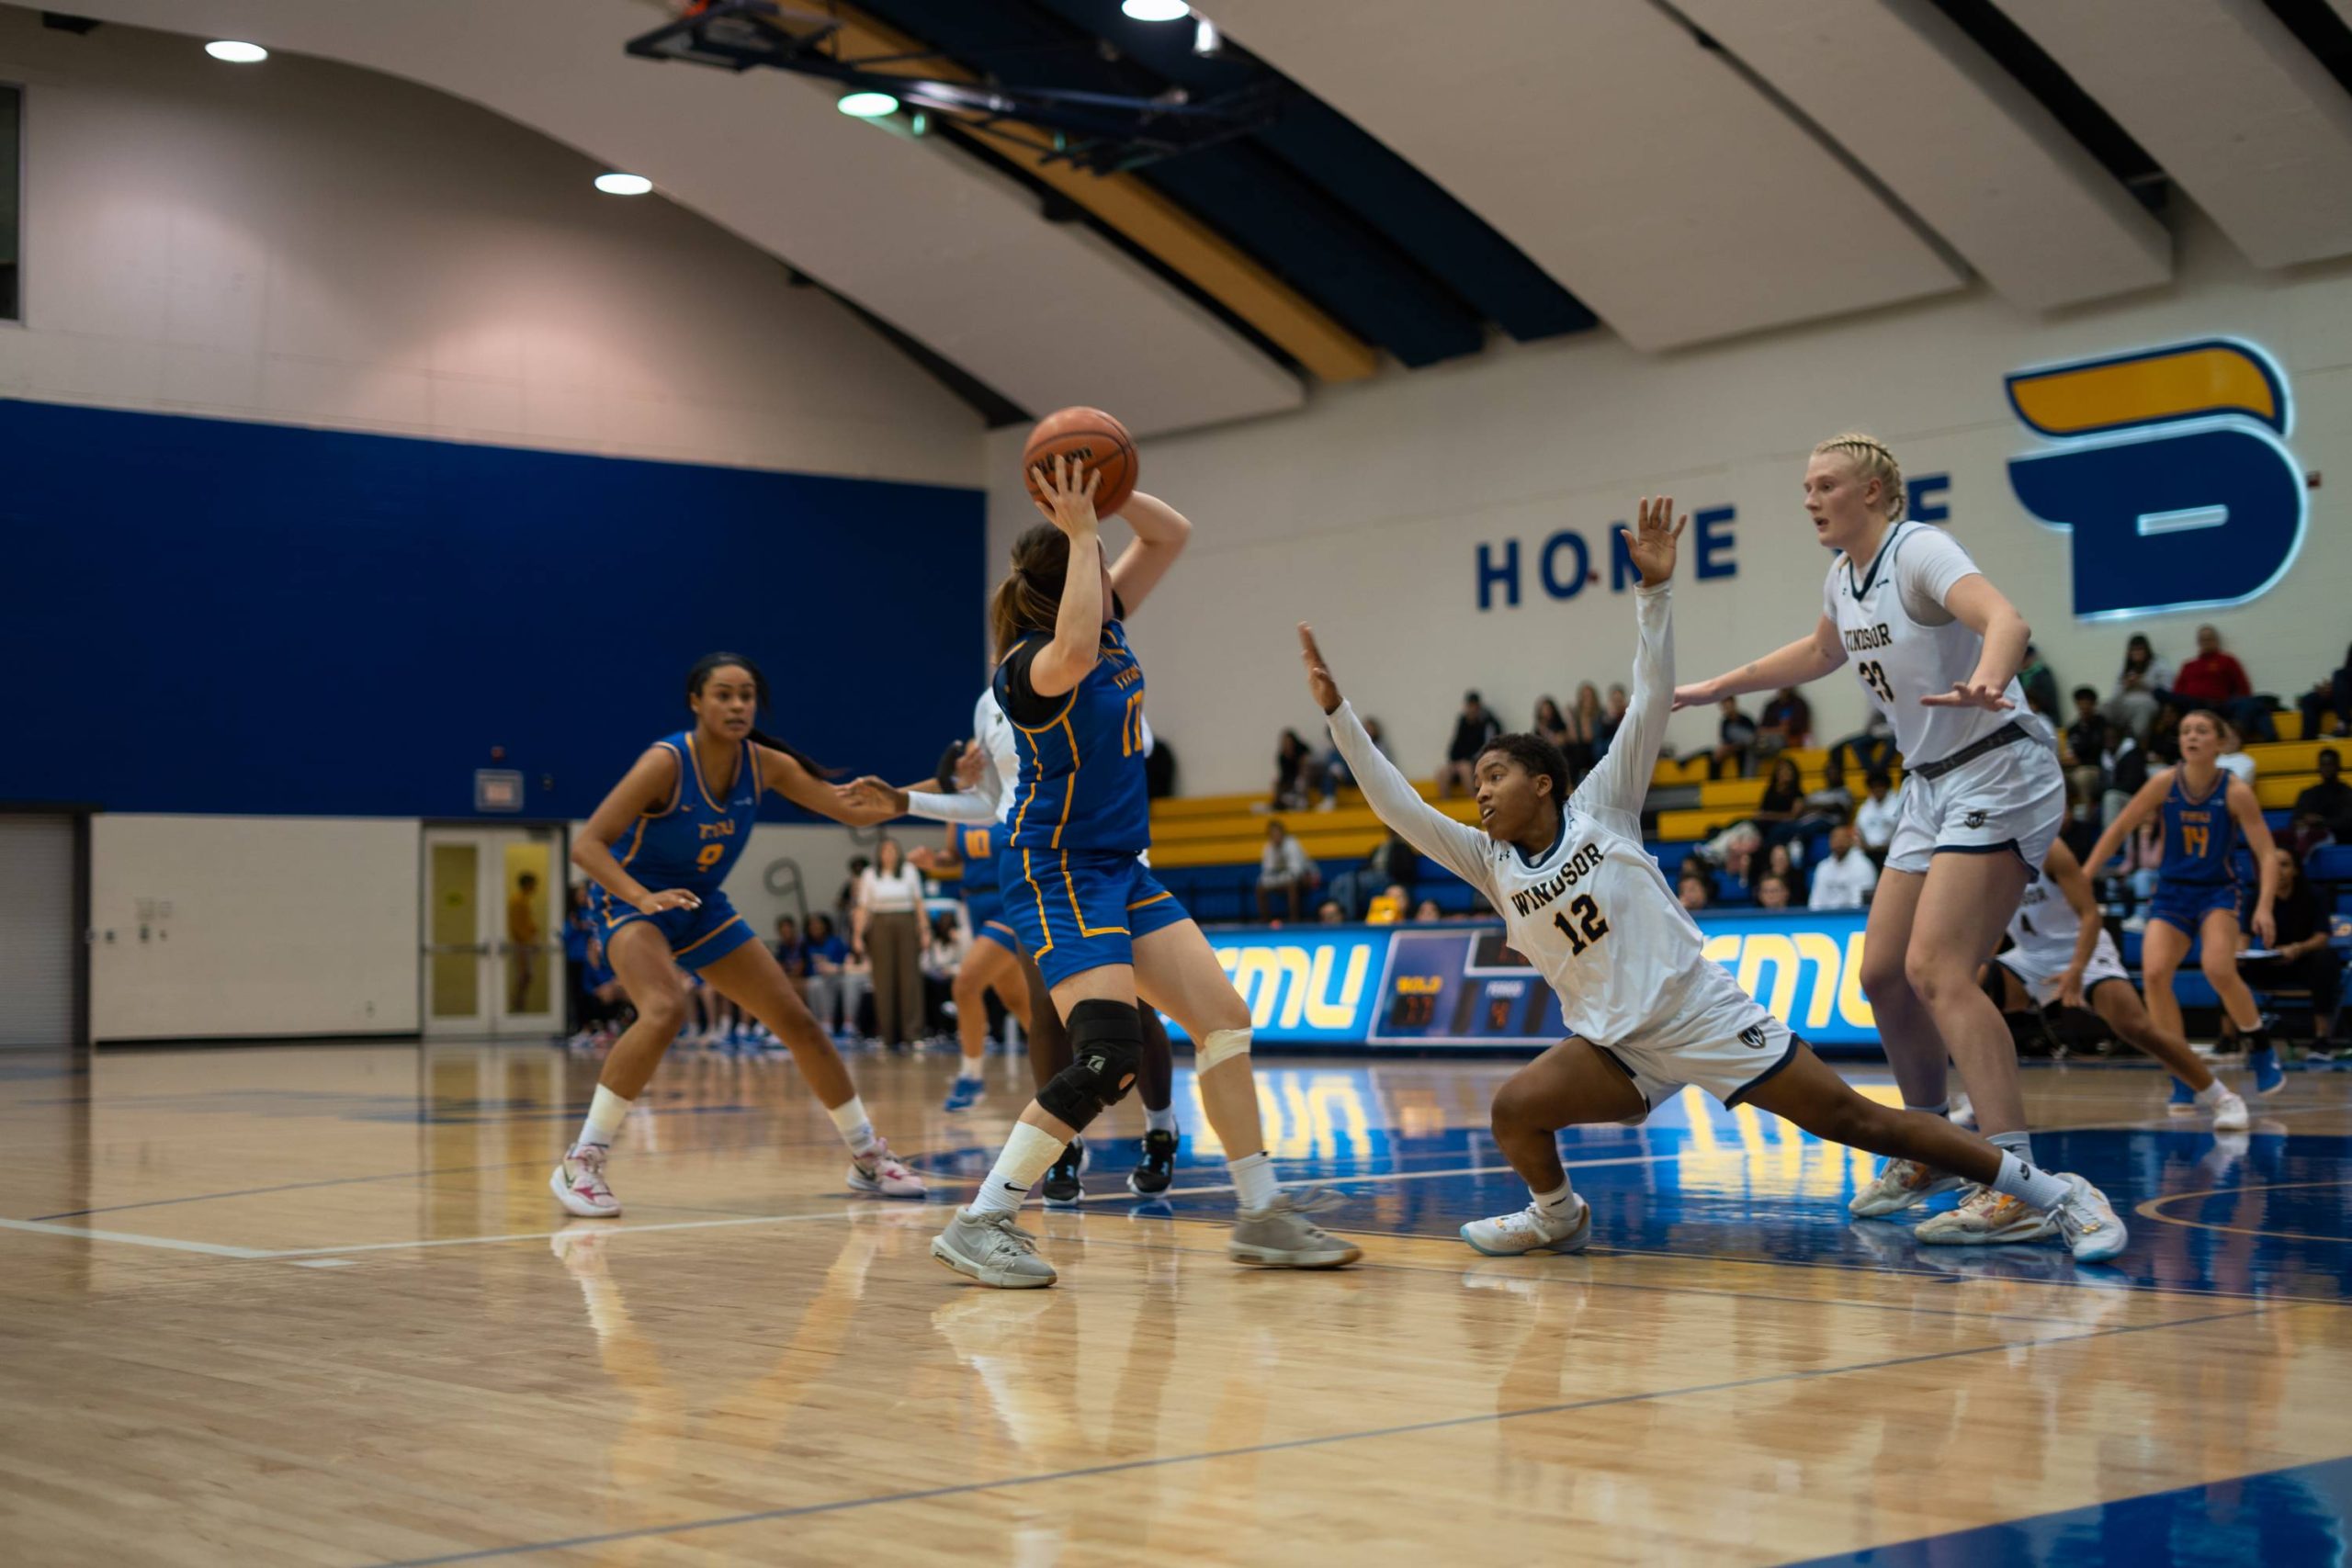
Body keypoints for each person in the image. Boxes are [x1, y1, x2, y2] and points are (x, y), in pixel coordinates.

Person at [1308, 494, 2123, 1261]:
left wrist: (1655, 594)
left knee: (1857, 1120)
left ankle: (2051, 1191)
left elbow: (1651, 696)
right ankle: (1558, 1216)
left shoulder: (1603, 806)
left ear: (1544, 781)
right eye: (1476, 781)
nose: (1480, 791)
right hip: (1617, 1046)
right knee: (1515, 1110)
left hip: (1701, 1015)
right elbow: (1396, 806)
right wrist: (1340, 715)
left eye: (1495, 776)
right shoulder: (1486, 863)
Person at [902, 458, 1357, 1288]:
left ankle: (1262, 1213)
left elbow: (1170, 532)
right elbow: (1073, 643)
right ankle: (983, 1220)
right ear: (1069, 580)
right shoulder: (1029, 670)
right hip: (1056, 868)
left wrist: (1107, 494)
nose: (1109, 565)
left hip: (1117, 863)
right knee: (1107, 1052)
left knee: (1222, 1017)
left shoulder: (1107, 627)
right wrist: (1080, 530)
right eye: (1092, 557)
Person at [1677, 432, 2079, 1243]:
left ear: (1874, 492)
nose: (1811, 499)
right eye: (1806, 487)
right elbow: (1823, 651)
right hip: (1929, 784)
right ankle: (1927, 1142)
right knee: (1884, 974)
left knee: (1940, 971)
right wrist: (1723, 685)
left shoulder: (1919, 550)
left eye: (1825, 484)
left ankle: (2015, 1182)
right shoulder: (1841, 576)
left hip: (1998, 765)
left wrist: (1990, 680)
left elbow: (2007, 617)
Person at [555, 652, 922, 1218]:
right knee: (664, 1008)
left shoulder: (763, 764)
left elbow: (853, 811)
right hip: (634, 901)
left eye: (746, 695)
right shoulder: (667, 762)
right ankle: (582, 1160)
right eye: (723, 694)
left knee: (798, 1020)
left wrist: (939, 787)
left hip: (701, 906)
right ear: (696, 702)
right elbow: (587, 844)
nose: (736, 704)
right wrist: (641, 898)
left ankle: (867, 1156)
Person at [866, 684, 1181, 1199]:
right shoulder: (987, 703)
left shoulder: (1098, 673)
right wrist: (910, 800)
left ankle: (1161, 1128)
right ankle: (1060, 1147)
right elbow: (990, 802)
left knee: (1136, 1012)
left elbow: (1136, 748)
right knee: (1044, 1011)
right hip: (1037, 875)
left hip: (1108, 860)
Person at [2084, 708, 2285, 1096]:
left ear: (2220, 742)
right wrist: (2085, 874)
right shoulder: (2163, 783)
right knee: (2156, 974)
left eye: (2202, 730)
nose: (2192, 736)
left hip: (2217, 892)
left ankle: (2260, 1046)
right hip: (2173, 891)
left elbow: (2266, 853)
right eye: (2185, 731)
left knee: (2218, 969)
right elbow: (2121, 826)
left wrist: (2264, 907)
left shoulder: (2235, 791)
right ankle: (2181, 1070)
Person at [1989, 840, 2246, 1131]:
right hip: (2030, 955)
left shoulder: (2052, 849)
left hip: (2081, 950)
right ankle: (1981, 1104)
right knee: (1970, 993)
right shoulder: (1984, 850)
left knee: (2136, 1027)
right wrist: (1980, 962)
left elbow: (2090, 915)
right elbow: (1992, 919)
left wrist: (2076, 968)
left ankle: (2223, 1097)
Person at [909, 805, 1033, 1112]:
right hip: (975, 904)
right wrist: (933, 861)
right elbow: (953, 857)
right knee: (1018, 1000)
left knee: (966, 984)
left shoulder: (1011, 795)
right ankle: (1073, 1062)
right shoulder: (960, 809)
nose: (969, 758)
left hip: (1010, 902)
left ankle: (972, 1078)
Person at [2233, 848, 2343, 1053]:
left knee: (2324, 959)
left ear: (2295, 870)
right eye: (2273, 866)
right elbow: (2244, 937)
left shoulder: (2314, 894)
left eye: (2284, 865)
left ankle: (2322, 1038)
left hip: (2306, 961)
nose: (2279, 871)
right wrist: (2239, 954)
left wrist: (2297, 948)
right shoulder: (2256, 897)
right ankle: (2228, 1039)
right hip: (2272, 963)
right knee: (2226, 967)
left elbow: (2323, 937)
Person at [853, 835, 926, 1052]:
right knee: (883, 979)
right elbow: (863, 907)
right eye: (885, 851)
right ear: (879, 854)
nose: (889, 854)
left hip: (906, 921)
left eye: (893, 850)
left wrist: (924, 930)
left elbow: (918, 903)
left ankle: (912, 1034)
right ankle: (888, 1035)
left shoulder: (910, 872)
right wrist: (857, 935)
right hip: (880, 924)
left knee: (910, 978)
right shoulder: (869, 875)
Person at [2171, 625, 2274, 742]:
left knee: (2255, 705)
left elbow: (2243, 687)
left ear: (2216, 640)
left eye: (2209, 638)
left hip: (2221, 705)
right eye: (2203, 639)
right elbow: (2177, 693)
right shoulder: (2188, 666)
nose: (2206, 642)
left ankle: (2255, 735)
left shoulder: (2227, 661)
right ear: (2198, 642)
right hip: (2195, 707)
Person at [802, 911, 866, 1043]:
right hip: (838, 974)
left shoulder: (837, 942)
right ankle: (824, 1024)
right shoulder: (808, 944)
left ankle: (849, 1025)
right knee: (815, 982)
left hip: (856, 975)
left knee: (849, 980)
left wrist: (836, 968)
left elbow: (863, 966)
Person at [1329, 829, 1419, 920]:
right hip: (1372, 874)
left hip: (1388, 876)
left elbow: (1406, 868)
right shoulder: (1379, 846)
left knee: (1350, 881)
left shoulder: (1402, 848)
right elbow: (1368, 864)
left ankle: (1349, 915)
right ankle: (1334, 908)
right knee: (1340, 880)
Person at [2107, 634, 2171, 741]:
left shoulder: (2159, 665)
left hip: (2147, 703)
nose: (2137, 653)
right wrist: (2125, 686)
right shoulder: (2125, 669)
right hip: (2125, 703)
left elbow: (2168, 690)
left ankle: (2136, 743)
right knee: (2103, 708)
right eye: (2134, 650)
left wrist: (2143, 683)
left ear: (2147, 650)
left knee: (2143, 708)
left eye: (2140, 649)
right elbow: (2114, 696)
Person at [1440, 692, 1501, 798]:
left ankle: (1474, 802)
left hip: (1480, 763)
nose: (1471, 709)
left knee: (1465, 769)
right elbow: (1455, 745)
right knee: (1442, 772)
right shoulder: (1463, 723)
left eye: (1473, 706)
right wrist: (1454, 761)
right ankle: (1446, 808)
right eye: (1469, 706)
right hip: (1462, 763)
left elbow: (1489, 748)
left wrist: (1469, 761)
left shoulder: (1488, 723)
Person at [1257, 819, 1319, 921]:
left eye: (1277, 832)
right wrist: (1274, 880)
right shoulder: (1268, 848)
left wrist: (1279, 879)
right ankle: (1265, 921)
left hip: (1308, 877)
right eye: (1273, 833)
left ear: (1283, 832)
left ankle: (1294, 920)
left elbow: (1297, 872)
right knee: (1260, 888)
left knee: (1291, 885)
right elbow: (1267, 872)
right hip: (1282, 879)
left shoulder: (1292, 844)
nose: (1276, 835)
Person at [2291, 748, 2352, 846]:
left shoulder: (2347, 793)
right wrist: (2300, 823)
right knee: (2279, 836)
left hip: (2339, 838)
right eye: (2323, 765)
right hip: (2310, 836)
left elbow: (2347, 823)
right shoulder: (2308, 794)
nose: (2327, 769)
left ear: (2338, 767)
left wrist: (2321, 821)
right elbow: (2295, 820)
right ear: (2318, 768)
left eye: (2330, 764)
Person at [1808, 825, 1878, 910]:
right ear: (1829, 842)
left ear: (1851, 841)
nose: (1839, 842)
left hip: (1852, 918)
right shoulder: (1823, 867)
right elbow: (1816, 902)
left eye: (1843, 838)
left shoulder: (1863, 866)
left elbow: (1860, 904)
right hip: (1825, 919)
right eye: (1835, 838)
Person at [2063, 686, 2108, 805]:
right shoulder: (2073, 729)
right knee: (2057, 777)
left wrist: (2080, 760)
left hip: (2095, 768)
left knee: (2082, 777)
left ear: (2094, 704)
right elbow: (2070, 751)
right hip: (2074, 769)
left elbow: (2101, 750)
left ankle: (2085, 813)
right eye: (2080, 704)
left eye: (2087, 704)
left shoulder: (2103, 725)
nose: (2084, 708)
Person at [2298, 643, 2352, 741]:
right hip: (2346, 694)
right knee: (2309, 699)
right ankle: (2309, 740)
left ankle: (2343, 724)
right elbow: (2347, 672)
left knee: (2339, 674)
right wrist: (2332, 688)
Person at [508, 872, 541, 1014]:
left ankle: (520, 1007)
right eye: (534, 884)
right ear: (528, 884)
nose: (535, 888)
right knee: (523, 976)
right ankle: (517, 1008)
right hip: (521, 945)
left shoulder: (524, 900)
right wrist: (528, 941)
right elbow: (517, 926)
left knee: (526, 977)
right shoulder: (517, 900)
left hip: (525, 943)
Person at [1854, 769, 1901, 861]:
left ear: (1887, 786)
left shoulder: (1897, 803)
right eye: (1874, 787)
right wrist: (1866, 847)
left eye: (1880, 786)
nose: (1877, 789)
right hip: (1869, 852)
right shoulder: (1865, 807)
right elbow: (1858, 830)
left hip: (1892, 852)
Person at [1756, 686, 1812, 762]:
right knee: (1753, 747)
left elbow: (1793, 728)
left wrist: (1773, 731)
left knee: (1771, 742)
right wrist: (1779, 730)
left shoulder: (1799, 704)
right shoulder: (1771, 706)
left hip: (1790, 740)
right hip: (1769, 739)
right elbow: (1761, 729)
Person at [1709, 697, 1757, 779]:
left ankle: (1742, 780)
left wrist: (1735, 746)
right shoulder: (1725, 722)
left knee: (1743, 754)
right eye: (1724, 707)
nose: (1726, 709)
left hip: (1745, 748)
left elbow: (1753, 739)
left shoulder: (1746, 720)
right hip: (1731, 748)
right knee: (1715, 756)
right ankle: (1714, 782)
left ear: (1734, 704)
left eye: (1728, 706)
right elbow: (1725, 740)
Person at [1564, 682, 1604, 780]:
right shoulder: (1576, 715)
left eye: (1589, 696)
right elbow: (1572, 738)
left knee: (1582, 752)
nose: (1587, 699)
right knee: (1570, 751)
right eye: (1584, 696)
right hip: (1579, 750)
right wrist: (1570, 719)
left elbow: (1589, 737)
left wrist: (1585, 717)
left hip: (1593, 748)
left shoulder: (1600, 714)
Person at [1272, 728, 1315, 811]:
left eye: (1289, 741)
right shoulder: (1282, 756)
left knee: (1301, 780)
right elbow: (1284, 774)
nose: (1288, 744)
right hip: (1291, 780)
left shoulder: (1301, 749)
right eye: (1285, 742)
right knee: (1277, 784)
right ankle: (1284, 801)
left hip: (1305, 776)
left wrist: (1301, 770)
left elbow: (1307, 760)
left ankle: (1301, 799)